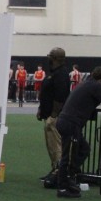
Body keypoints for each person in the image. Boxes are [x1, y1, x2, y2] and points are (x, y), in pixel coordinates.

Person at [55, 66, 101, 198]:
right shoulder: (96, 86)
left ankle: (69, 177)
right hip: (71, 123)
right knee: (68, 156)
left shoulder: (88, 83)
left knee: (83, 149)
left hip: (67, 121)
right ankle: (63, 186)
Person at [36, 47, 69, 186]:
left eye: (50, 56)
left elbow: (60, 97)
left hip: (55, 116)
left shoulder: (61, 74)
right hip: (49, 114)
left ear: (55, 58)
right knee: (51, 145)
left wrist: (54, 115)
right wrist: (41, 109)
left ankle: (59, 173)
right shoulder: (54, 73)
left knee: (56, 145)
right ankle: (55, 168)